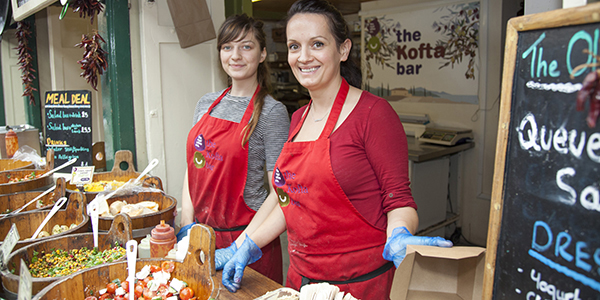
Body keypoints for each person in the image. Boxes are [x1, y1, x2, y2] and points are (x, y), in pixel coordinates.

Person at [220, 0, 453, 299]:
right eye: (294, 46)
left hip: (359, 286)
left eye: (317, 44)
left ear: (343, 50)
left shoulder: (374, 114)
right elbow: (287, 200)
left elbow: (398, 199)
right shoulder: (298, 118)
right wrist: (246, 245)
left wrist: (399, 234)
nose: (303, 57)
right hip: (302, 283)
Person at [180, 13, 290, 284]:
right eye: (228, 47)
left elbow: (280, 191)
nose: (236, 55)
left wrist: (239, 247)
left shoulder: (272, 113)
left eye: (246, 46)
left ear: (262, 54)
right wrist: (185, 224)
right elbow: (193, 167)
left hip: (250, 243)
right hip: (201, 235)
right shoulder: (206, 104)